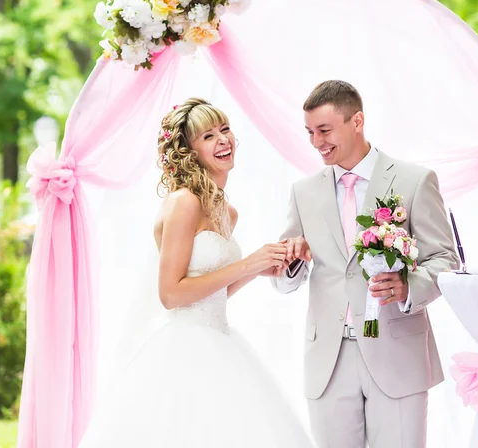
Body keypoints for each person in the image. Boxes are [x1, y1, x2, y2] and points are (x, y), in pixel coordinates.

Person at [78, 98, 313, 448]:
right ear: (189, 150)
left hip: (221, 337)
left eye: (225, 129)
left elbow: (214, 291)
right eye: (208, 135)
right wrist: (247, 263)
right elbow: (171, 295)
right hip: (185, 346)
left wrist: (259, 268)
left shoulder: (226, 211)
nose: (223, 140)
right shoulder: (184, 202)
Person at [272, 80, 459, 448]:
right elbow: (285, 279)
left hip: (396, 353)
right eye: (309, 132)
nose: (316, 142)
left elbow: (446, 260)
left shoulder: (414, 180)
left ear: (357, 121)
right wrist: (290, 262)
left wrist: (408, 286)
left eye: (324, 130)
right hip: (329, 358)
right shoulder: (303, 192)